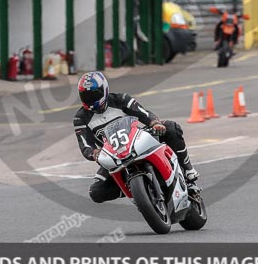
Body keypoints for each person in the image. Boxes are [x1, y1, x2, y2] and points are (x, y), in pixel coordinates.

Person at [74, 71, 199, 203]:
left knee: (170, 127)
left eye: (94, 94)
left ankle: (188, 170)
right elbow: (85, 145)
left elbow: (143, 113)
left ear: (104, 89)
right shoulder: (80, 118)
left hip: (136, 140)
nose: (90, 99)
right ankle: (136, 190)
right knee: (96, 192)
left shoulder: (121, 99)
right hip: (112, 154)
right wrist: (94, 153)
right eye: (85, 96)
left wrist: (154, 123)